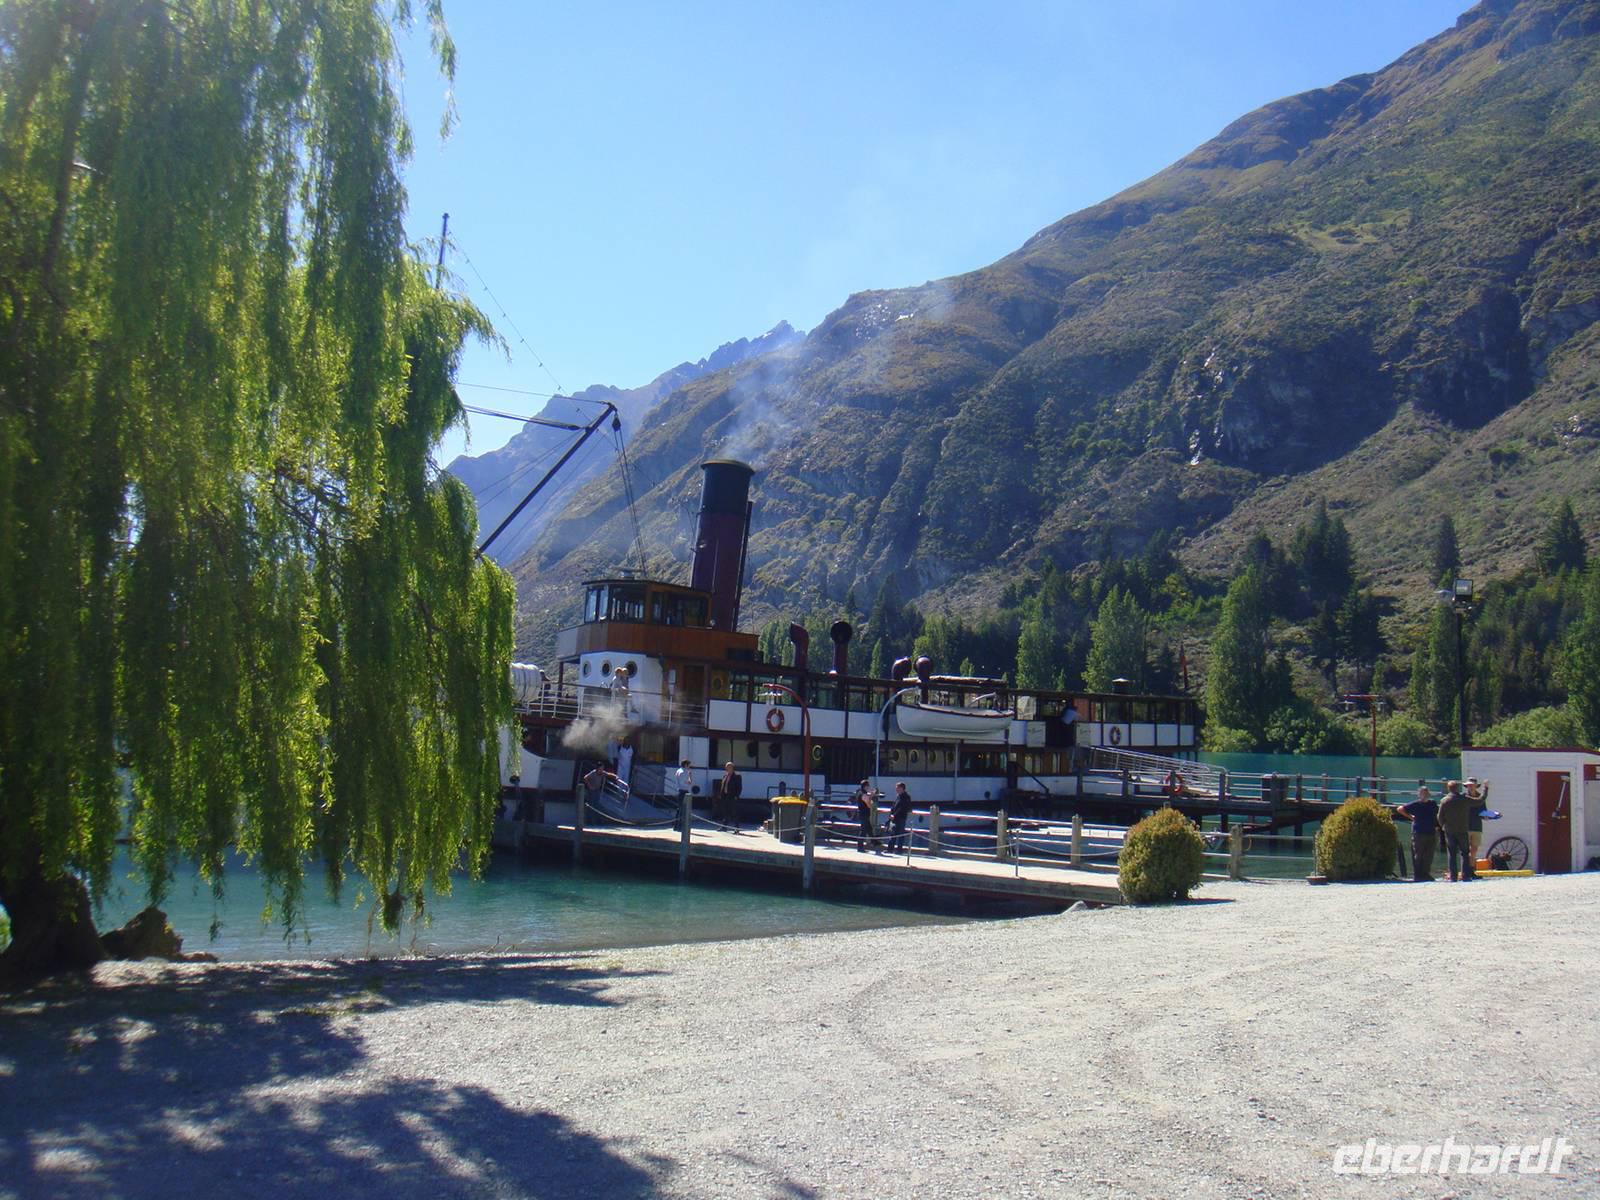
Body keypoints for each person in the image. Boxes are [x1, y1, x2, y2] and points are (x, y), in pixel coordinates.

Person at [1396, 784, 1439, 882]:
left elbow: (1436, 816)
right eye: (1422, 793)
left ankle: (1426, 874)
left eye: (1426, 793)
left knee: (1429, 855)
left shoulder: (1432, 804)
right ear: (1419, 795)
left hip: (1431, 832)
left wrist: (1437, 827)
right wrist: (1411, 817)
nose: (1424, 795)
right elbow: (1400, 809)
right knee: (1418, 855)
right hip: (1419, 832)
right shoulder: (1415, 804)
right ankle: (1418, 875)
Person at [1436, 780, 1476, 882]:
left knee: (1452, 854)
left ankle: (1453, 877)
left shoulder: (1444, 801)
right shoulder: (1464, 799)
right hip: (1462, 829)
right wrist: (1486, 790)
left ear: (1448, 788)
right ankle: (1466, 876)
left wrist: (1443, 826)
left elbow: (1440, 817)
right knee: (1465, 853)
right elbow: (1480, 800)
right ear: (1457, 788)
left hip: (1450, 830)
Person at [1465, 778, 1491, 860]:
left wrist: (1487, 816)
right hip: (1466, 826)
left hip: (1477, 826)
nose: (1471, 787)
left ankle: (1472, 869)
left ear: (1476, 786)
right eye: (1469, 785)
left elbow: (1484, 811)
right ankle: (1466, 869)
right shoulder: (1464, 797)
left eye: (1472, 785)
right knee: (1465, 850)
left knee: (1474, 849)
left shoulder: (1480, 797)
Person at [712, 761, 742, 831]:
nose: (726, 768)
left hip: (732, 796)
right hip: (725, 796)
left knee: (734, 812)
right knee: (725, 812)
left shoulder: (737, 776)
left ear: (732, 767)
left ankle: (736, 828)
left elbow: (739, 787)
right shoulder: (725, 775)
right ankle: (724, 827)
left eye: (728, 767)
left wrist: (736, 796)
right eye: (726, 767)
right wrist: (720, 795)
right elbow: (723, 785)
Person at [854, 779, 878, 853]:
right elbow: (869, 804)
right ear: (865, 786)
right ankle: (860, 847)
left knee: (868, 828)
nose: (869, 787)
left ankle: (874, 842)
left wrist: (870, 795)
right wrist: (871, 796)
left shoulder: (859, 792)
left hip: (862, 813)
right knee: (863, 830)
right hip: (864, 814)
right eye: (868, 786)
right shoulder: (863, 794)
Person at [889, 781, 913, 852]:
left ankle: (899, 850)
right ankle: (890, 849)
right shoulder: (898, 796)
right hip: (893, 818)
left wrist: (894, 815)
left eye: (898, 788)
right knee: (892, 834)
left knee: (900, 834)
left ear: (902, 788)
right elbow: (894, 806)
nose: (896, 790)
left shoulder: (906, 797)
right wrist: (891, 814)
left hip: (901, 818)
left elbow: (902, 808)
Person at [673, 758, 694, 828]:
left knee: (679, 809)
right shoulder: (684, 772)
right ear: (685, 765)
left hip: (679, 791)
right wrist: (690, 779)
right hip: (684, 791)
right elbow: (685, 783)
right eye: (688, 765)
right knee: (683, 809)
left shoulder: (678, 771)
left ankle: (676, 825)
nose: (689, 767)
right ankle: (680, 826)